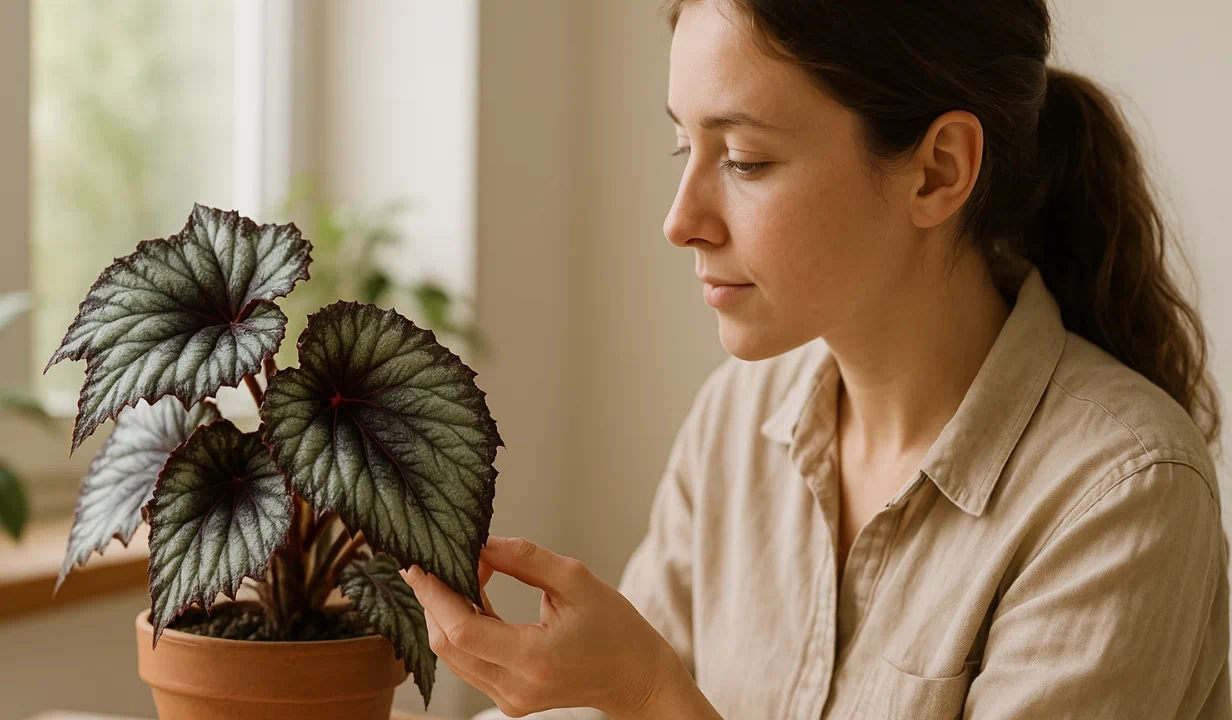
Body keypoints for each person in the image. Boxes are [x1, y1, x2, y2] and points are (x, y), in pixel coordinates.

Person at [400, 0, 1230, 717]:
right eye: (681, 146)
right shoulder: (738, 417)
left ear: (938, 171)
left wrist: (649, 695)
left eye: (744, 159)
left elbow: (639, 696)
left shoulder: (1120, 497)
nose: (680, 219)